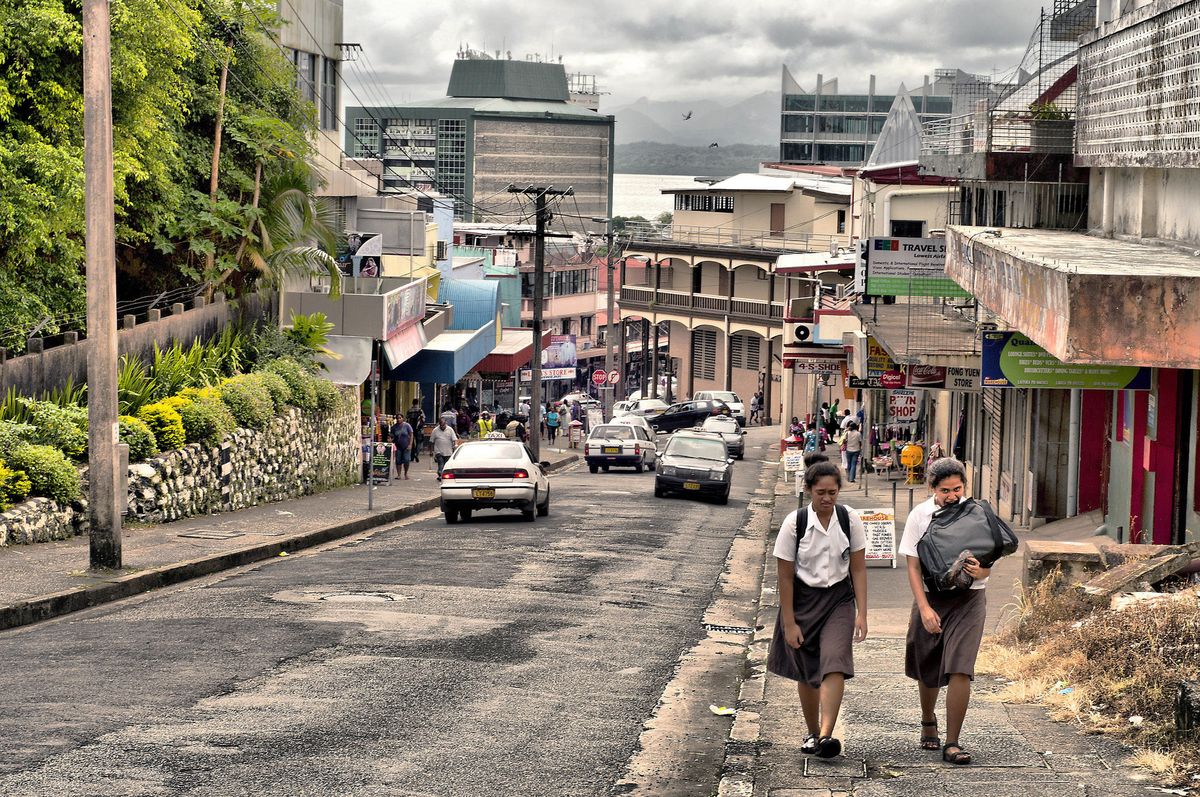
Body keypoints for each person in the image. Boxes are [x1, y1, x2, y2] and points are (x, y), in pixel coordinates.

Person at [767, 461, 868, 759]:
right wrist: (789, 622)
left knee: (836, 660)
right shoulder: (794, 523)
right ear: (809, 490)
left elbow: (859, 570)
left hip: (839, 599)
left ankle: (826, 735)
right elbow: (784, 576)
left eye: (833, 492)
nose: (827, 499)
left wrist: (862, 612)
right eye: (821, 492)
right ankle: (812, 732)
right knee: (808, 670)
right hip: (802, 600)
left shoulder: (849, 520)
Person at [898, 458, 989, 766]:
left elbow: (990, 560)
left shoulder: (976, 513)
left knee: (960, 666)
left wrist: (981, 572)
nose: (952, 496)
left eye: (958, 489)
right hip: (932, 597)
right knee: (929, 662)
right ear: (932, 488)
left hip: (969, 599)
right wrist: (923, 607)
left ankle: (953, 742)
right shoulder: (919, 516)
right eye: (946, 490)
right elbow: (912, 565)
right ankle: (927, 719)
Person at [390, 415, 414, 480]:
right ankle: (398, 475)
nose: (398, 419)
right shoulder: (394, 427)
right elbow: (391, 436)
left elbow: (411, 435)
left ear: (402, 418)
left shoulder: (407, 425)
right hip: (398, 447)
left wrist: (410, 444)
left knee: (406, 460)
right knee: (398, 460)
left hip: (406, 446)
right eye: (397, 418)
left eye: (400, 418)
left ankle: (406, 473)